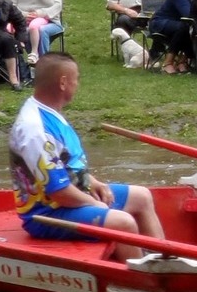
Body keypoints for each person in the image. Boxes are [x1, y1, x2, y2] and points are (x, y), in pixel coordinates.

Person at [10, 53, 165, 260]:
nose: (78, 84)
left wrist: (93, 182)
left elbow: (66, 164)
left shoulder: (49, 113)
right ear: (63, 82)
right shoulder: (35, 128)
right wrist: (92, 203)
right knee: (124, 222)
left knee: (142, 197)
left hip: (67, 198)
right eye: (77, 78)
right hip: (46, 214)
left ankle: (165, 262)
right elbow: (58, 192)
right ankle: (146, 283)